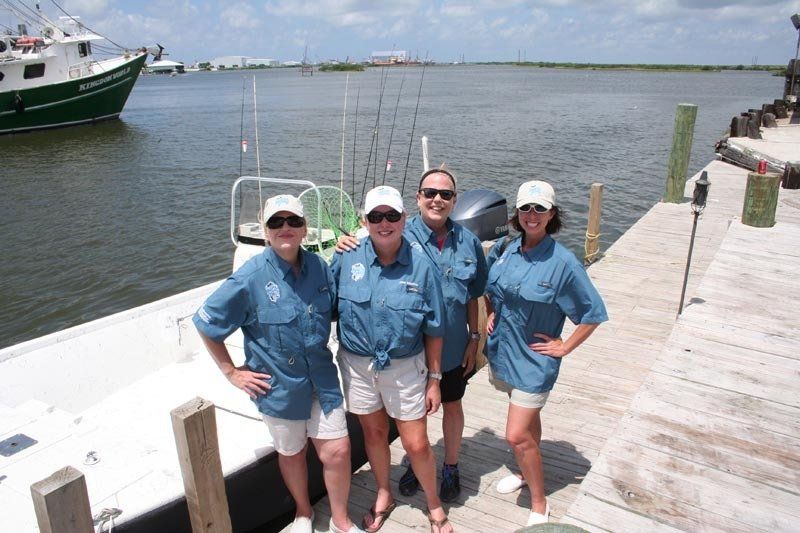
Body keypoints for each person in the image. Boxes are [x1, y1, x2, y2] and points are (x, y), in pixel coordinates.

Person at [193, 194, 360, 533]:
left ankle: (341, 521)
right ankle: (303, 513)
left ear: (305, 229)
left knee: (339, 451)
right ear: (266, 231)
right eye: (276, 223)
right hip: (278, 386)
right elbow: (206, 323)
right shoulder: (249, 276)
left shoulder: (320, 267)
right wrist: (232, 372)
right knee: (292, 453)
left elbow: (336, 311)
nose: (286, 228)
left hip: (322, 381)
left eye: (293, 221)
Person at [337, 168, 488, 502]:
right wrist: (345, 240)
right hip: (405, 351)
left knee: (451, 404)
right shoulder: (398, 232)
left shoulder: (469, 242)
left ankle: (450, 464)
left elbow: (474, 295)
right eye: (430, 193)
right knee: (412, 424)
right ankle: (416, 465)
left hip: (449, 347)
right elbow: (368, 247)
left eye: (445, 194)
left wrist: (475, 338)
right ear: (417, 199)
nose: (437, 199)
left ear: (454, 200)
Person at [484, 180, 607, 526]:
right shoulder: (506, 247)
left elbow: (592, 313)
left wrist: (565, 345)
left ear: (552, 213)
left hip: (535, 362)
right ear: (517, 214)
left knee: (516, 434)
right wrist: (492, 311)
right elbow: (491, 288)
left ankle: (539, 504)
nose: (531, 215)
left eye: (540, 209)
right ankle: (525, 473)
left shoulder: (564, 263)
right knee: (528, 425)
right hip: (503, 353)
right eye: (525, 208)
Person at [331, 185, 454, 533]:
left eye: (392, 216)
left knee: (416, 443)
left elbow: (434, 327)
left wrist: (434, 379)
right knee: (374, 433)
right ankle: (384, 492)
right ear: (364, 220)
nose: (384, 223)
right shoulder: (346, 256)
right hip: (357, 365)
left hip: (405, 366)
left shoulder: (422, 266)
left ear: (404, 218)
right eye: (375, 216)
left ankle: (433, 503)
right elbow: (320, 302)